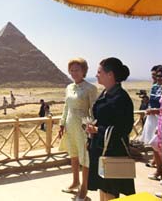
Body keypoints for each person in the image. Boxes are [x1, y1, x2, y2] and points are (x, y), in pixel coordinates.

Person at [86, 57, 135, 201]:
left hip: (113, 150)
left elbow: (124, 127)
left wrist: (97, 130)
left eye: (99, 72)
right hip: (101, 148)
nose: (96, 75)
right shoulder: (107, 92)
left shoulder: (121, 98)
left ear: (110, 75)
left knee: (111, 189)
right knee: (103, 187)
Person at [58, 58, 97, 201]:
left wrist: (91, 127)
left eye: (77, 70)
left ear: (84, 71)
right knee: (73, 155)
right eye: (71, 70)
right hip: (70, 125)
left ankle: (84, 189)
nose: (74, 73)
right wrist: (61, 124)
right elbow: (66, 107)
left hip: (83, 127)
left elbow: (94, 110)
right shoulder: (69, 87)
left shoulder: (90, 88)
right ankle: (75, 182)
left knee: (84, 157)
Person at [140, 65, 162, 170]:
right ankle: (157, 164)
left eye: (158, 75)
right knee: (154, 142)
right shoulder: (154, 86)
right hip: (152, 115)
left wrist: (155, 111)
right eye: (154, 75)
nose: (156, 77)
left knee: (156, 142)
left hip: (158, 116)